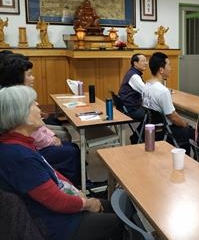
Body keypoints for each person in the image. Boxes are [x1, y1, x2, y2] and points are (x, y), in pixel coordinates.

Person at [0, 85, 122, 240]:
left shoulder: (19, 144)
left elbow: (50, 171)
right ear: (19, 114)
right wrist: (87, 203)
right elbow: (56, 201)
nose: (38, 105)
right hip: (56, 224)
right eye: (32, 103)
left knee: (113, 205)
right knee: (119, 220)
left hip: (53, 211)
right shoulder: (18, 156)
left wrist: (78, 194)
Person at [0, 54, 81, 186]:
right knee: (71, 150)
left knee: (70, 144)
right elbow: (30, 131)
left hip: (34, 141)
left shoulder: (21, 93)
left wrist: (51, 135)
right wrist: (50, 139)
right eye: (29, 75)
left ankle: (71, 178)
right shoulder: (15, 99)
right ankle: (72, 184)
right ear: (18, 77)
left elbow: (39, 126)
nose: (33, 78)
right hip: (33, 146)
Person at [142, 52, 194, 152]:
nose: (171, 68)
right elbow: (173, 117)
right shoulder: (163, 91)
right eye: (169, 65)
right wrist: (185, 124)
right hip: (164, 130)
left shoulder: (146, 86)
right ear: (161, 70)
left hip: (152, 127)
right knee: (192, 131)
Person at [118, 53, 147, 142]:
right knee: (154, 115)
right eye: (143, 61)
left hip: (126, 107)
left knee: (152, 113)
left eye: (146, 61)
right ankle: (137, 138)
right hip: (131, 110)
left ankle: (137, 136)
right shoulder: (134, 76)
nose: (146, 63)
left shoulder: (132, 73)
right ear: (135, 63)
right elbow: (146, 92)